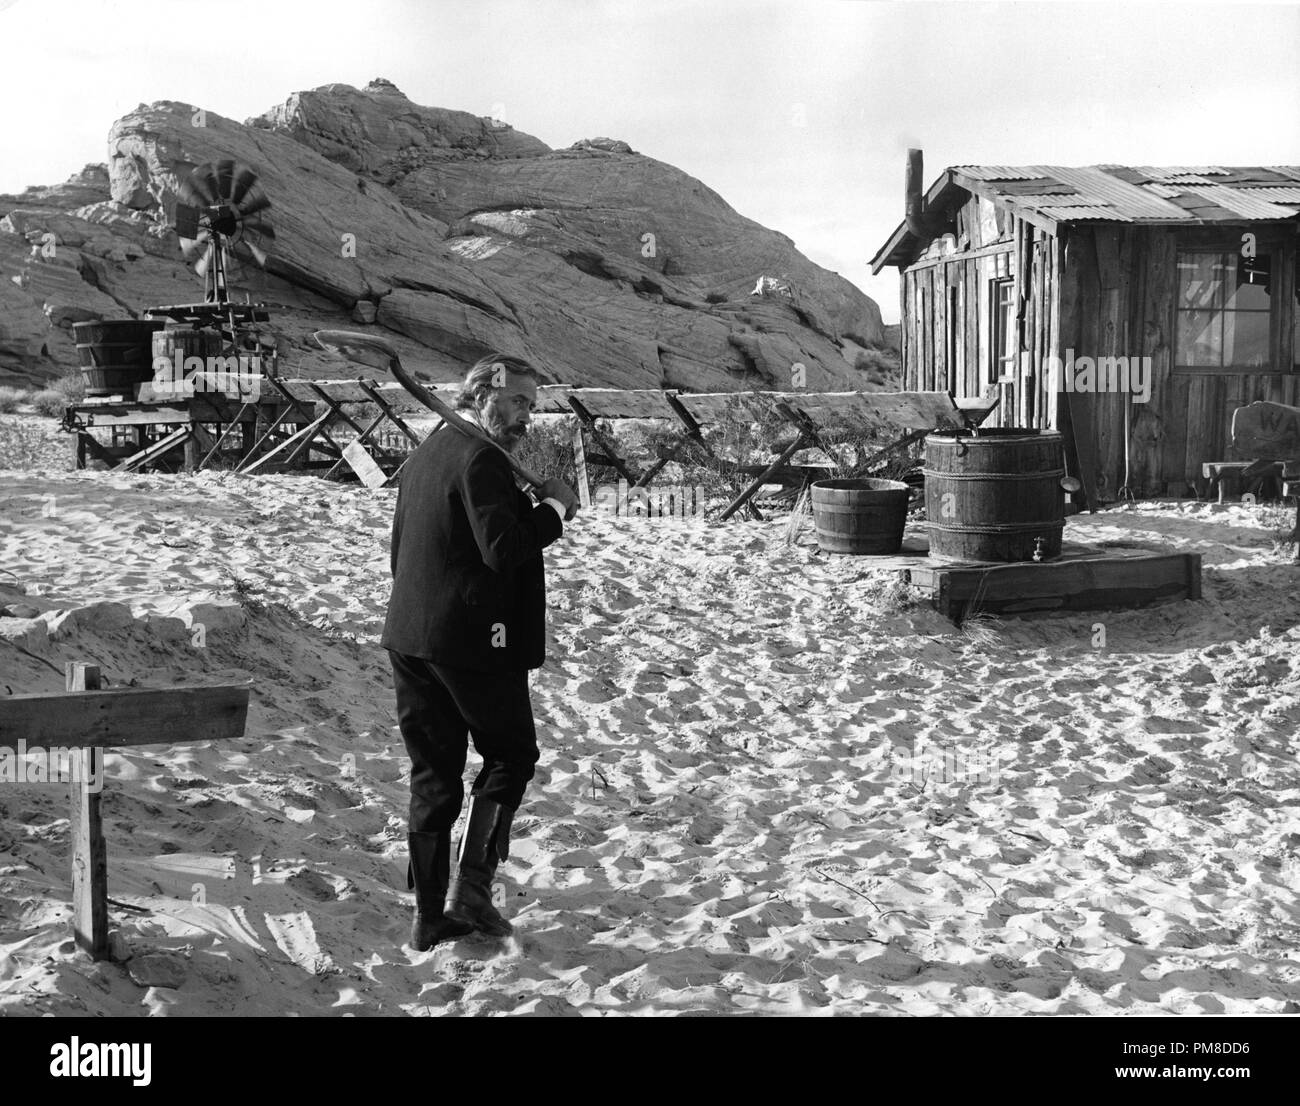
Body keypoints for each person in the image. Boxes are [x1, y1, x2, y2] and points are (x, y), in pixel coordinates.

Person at [381, 352, 580, 949]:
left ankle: (427, 917)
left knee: (434, 776)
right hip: (472, 641)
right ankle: (471, 887)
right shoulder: (481, 459)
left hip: (411, 637)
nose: (526, 416)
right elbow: (505, 548)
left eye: (531, 405)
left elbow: (402, 548)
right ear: (484, 393)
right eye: (518, 401)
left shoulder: (429, 453)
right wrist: (557, 508)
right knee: (511, 755)